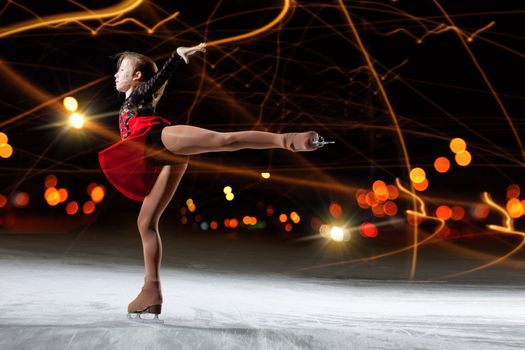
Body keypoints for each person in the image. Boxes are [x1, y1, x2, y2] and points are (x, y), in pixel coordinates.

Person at [98, 43, 332, 323]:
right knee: (145, 223)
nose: (116, 75)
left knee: (223, 140)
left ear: (137, 77)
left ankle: (287, 140)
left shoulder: (138, 95)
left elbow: (155, 81)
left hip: (158, 139)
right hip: (156, 155)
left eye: (122, 69)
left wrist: (175, 57)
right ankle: (151, 292)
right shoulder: (128, 100)